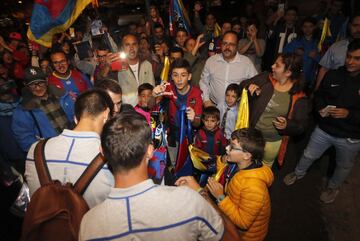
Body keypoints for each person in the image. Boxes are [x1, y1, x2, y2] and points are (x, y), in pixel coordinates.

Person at [79, 112, 239, 241]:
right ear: (150, 151)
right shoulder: (188, 200)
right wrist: (202, 194)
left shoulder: (89, 224)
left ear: (102, 151)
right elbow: (230, 237)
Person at [283, 39, 360, 204]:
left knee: (343, 166)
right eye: (348, 57)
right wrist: (320, 108)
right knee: (309, 154)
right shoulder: (334, 73)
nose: (350, 62)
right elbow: (319, 96)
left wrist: (348, 114)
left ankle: (333, 186)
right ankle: (298, 173)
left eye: (357, 58)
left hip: (350, 137)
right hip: (324, 129)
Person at [177, 128, 273, 241]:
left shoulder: (254, 187)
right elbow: (224, 168)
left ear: (247, 155)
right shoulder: (238, 163)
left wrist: (220, 197)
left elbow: (243, 223)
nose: (227, 148)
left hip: (243, 236)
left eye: (232, 147)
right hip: (230, 216)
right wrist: (222, 160)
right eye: (229, 144)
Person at [25, 89, 114, 208]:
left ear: (76, 118)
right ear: (106, 114)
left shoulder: (35, 150)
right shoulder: (111, 157)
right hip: (91, 225)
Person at [239, 53, 309, 167]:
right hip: (252, 136)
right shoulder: (265, 78)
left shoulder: (298, 96)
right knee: (245, 164)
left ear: (288, 72)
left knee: (264, 169)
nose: (272, 66)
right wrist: (250, 89)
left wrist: (287, 125)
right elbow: (242, 86)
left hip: (272, 142)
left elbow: (301, 126)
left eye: (277, 65)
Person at [153, 59, 203, 167]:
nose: (179, 79)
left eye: (183, 75)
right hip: (172, 135)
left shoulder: (196, 94)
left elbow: (197, 123)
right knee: (174, 164)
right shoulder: (168, 87)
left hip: (190, 138)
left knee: (189, 166)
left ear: (189, 77)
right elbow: (149, 105)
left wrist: (194, 119)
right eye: (175, 75)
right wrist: (154, 94)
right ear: (171, 77)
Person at [12, 67, 74, 152]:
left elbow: (78, 117)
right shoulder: (22, 111)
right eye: (32, 84)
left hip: (75, 142)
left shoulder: (63, 96)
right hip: (53, 152)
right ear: (25, 85)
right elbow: (24, 139)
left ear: (47, 80)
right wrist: (45, 152)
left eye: (40, 83)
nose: (38, 88)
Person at [200, 31, 258, 107]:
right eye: (225, 43)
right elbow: (204, 82)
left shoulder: (246, 63)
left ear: (237, 46)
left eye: (231, 44)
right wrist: (206, 100)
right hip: (214, 108)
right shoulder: (211, 61)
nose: (227, 47)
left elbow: (256, 81)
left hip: (237, 110)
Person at [315, 14, 360, 90]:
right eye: (355, 25)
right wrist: (316, 90)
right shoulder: (336, 47)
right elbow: (324, 69)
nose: (359, 29)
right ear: (349, 26)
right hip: (334, 92)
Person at [117, 34, 155, 106]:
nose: (131, 48)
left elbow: (152, 89)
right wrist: (107, 66)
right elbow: (102, 79)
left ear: (138, 46)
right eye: (127, 45)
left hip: (147, 109)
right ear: (122, 48)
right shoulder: (118, 67)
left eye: (134, 44)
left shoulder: (147, 65)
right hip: (128, 112)